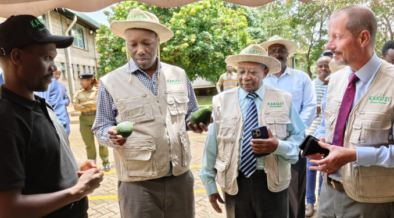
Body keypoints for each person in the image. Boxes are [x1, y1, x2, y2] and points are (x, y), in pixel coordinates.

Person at [92, 9, 206, 218]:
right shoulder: (110, 82)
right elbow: (100, 126)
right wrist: (110, 135)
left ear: (158, 42)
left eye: (147, 43)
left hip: (180, 178)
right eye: (132, 44)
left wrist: (197, 124)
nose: (140, 50)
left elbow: (191, 114)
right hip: (138, 183)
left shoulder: (178, 75)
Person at [0, 15, 103, 218]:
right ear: (17, 57)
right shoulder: (6, 120)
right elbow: (9, 208)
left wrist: (74, 173)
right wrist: (77, 191)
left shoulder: (41, 103)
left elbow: (41, 167)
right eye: (47, 58)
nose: (55, 68)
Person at [200, 44, 305, 218]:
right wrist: (210, 184)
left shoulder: (283, 99)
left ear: (265, 73)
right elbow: (211, 146)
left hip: (273, 182)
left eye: (253, 72)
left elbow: (299, 136)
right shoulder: (221, 101)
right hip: (235, 182)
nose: (246, 77)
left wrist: (277, 146)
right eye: (241, 71)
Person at [308, 5, 394, 218]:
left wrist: (354, 155)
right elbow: (326, 123)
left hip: (370, 203)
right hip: (328, 195)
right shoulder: (336, 80)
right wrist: (321, 140)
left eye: (336, 37)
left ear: (363, 38)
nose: (329, 45)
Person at [261, 35, 316, 218]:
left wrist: (293, 132)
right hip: (266, 145)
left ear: (287, 54)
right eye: (273, 51)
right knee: (267, 192)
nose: (277, 54)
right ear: (268, 55)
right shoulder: (261, 79)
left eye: (281, 50)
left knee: (295, 194)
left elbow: (310, 106)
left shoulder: (301, 78)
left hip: (296, 144)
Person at [305, 56, 331, 217]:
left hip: (329, 134)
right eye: (320, 66)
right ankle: (309, 202)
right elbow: (309, 108)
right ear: (316, 68)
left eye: (326, 66)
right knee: (311, 169)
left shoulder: (337, 84)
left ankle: (322, 198)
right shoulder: (312, 86)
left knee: (324, 168)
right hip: (311, 133)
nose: (323, 69)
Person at [74, 73, 110, 172]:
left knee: (102, 142)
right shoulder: (78, 93)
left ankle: (106, 162)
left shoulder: (98, 91)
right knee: (89, 145)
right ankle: (92, 164)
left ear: (89, 81)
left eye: (82, 80)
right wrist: (91, 105)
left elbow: (98, 104)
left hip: (97, 118)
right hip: (84, 120)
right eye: (80, 80)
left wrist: (84, 104)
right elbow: (76, 106)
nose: (80, 82)